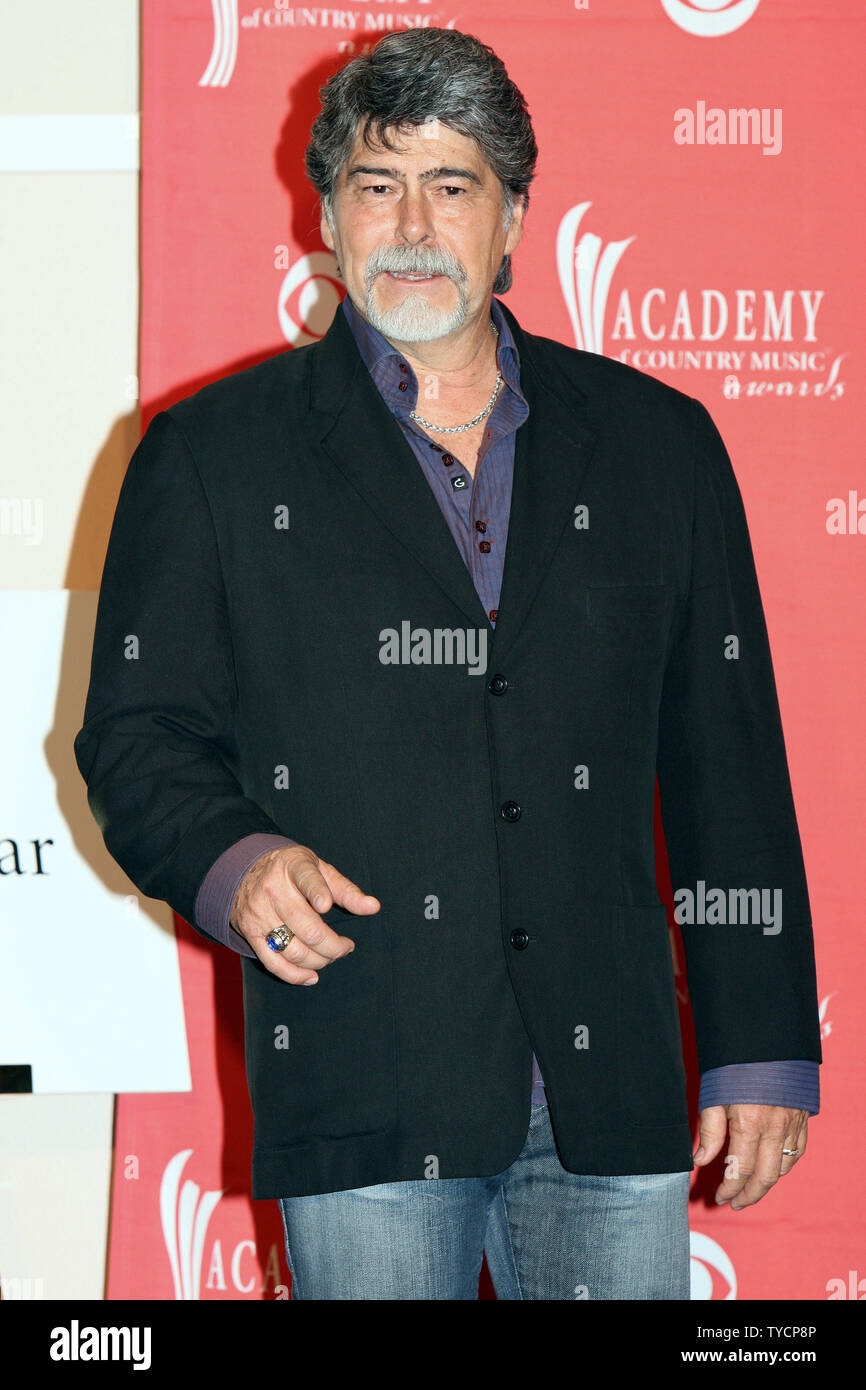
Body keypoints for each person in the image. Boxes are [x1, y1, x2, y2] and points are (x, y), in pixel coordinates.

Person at [74, 27, 821, 1300]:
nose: (411, 222)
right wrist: (236, 861)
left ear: (514, 213)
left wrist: (756, 1051)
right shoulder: (210, 458)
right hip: (364, 1075)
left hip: (611, 1092)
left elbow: (726, 768)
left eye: (452, 184)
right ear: (326, 212)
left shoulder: (658, 448)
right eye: (376, 184)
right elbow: (138, 735)